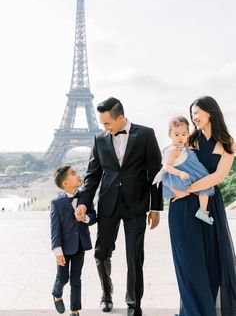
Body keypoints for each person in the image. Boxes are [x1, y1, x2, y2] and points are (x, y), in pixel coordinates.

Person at [75, 97, 163, 316]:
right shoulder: (99, 139)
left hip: (136, 205)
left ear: (121, 117)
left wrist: (156, 207)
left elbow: (156, 173)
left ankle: (134, 305)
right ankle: (106, 294)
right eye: (102, 123)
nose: (104, 127)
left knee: (135, 256)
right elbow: (92, 175)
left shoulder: (145, 134)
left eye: (107, 123)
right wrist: (83, 203)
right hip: (108, 204)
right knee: (101, 252)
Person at [168, 96, 236, 316]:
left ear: (210, 111)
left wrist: (188, 189)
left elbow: (219, 176)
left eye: (197, 112)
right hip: (182, 207)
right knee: (189, 264)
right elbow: (169, 163)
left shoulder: (227, 143)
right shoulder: (188, 139)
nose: (194, 117)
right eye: (192, 113)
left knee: (213, 262)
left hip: (209, 207)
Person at [50, 166, 96, 316]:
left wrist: (86, 218)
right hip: (63, 248)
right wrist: (57, 252)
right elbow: (55, 230)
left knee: (76, 279)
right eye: (73, 173)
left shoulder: (86, 197)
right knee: (63, 277)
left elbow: (94, 217)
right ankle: (57, 294)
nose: (78, 175)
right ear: (65, 184)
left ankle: (74, 310)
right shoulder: (56, 203)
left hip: (80, 246)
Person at [153, 115, 215, 224]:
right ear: (170, 135)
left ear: (188, 134)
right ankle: (203, 211)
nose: (180, 137)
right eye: (176, 134)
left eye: (184, 134)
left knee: (205, 185)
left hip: (187, 171)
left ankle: (203, 211)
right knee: (205, 183)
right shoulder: (172, 150)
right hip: (179, 175)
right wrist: (180, 173)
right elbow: (167, 166)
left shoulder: (183, 146)